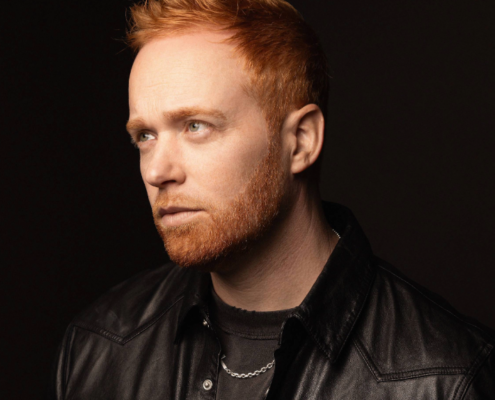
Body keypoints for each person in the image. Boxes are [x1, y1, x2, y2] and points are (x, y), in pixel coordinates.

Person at [50, 0, 495, 399]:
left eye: (195, 126)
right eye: (145, 136)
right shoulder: (99, 344)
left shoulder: (445, 378)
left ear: (300, 141)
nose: (156, 171)